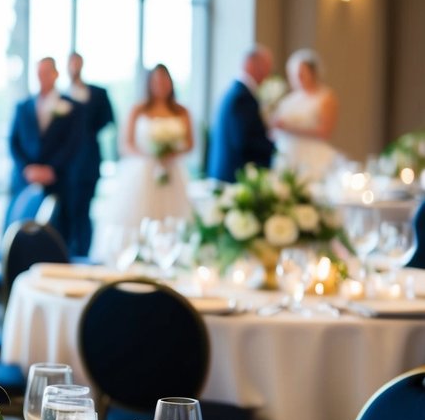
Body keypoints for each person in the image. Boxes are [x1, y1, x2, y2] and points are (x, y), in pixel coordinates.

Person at [94, 64, 194, 261]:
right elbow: (125, 144)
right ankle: (133, 256)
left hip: (171, 171)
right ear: (149, 83)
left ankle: (170, 257)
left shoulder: (181, 110)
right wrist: (150, 155)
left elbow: (190, 144)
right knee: (137, 217)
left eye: (164, 80)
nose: (160, 84)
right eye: (156, 80)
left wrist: (171, 152)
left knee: (173, 217)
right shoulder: (138, 109)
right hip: (143, 170)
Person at [9, 56, 84, 248]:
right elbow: (13, 142)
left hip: (57, 180)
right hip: (26, 179)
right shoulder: (23, 106)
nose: (42, 77)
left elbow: (73, 143)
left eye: (46, 72)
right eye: (39, 73)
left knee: (57, 232)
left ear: (56, 74)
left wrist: (51, 170)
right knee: (21, 227)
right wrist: (28, 169)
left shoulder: (70, 107)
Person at [64, 51, 115, 258]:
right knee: (67, 211)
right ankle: (65, 252)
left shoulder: (98, 93)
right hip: (65, 166)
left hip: (89, 163)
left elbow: (108, 120)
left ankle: (83, 254)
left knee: (84, 211)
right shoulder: (62, 95)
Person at [206, 45, 275, 183]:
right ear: (250, 64)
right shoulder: (242, 97)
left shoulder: (236, 91)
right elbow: (244, 140)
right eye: (264, 67)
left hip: (227, 172)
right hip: (235, 175)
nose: (267, 73)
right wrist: (274, 146)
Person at [270, 48, 340, 182]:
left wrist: (289, 128)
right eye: (295, 74)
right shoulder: (289, 99)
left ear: (313, 73)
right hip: (287, 153)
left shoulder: (325, 97)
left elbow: (324, 132)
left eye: (302, 73)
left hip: (311, 155)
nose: (298, 77)